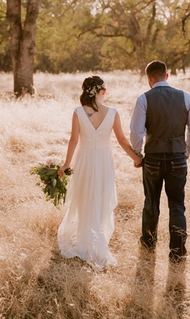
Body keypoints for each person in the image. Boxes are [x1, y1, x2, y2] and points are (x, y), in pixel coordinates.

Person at [57, 76, 142, 270]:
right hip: (104, 161)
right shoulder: (113, 112)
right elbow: (121, 140)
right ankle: (94, 241)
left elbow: (73, 141)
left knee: (85, 198)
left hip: (85, 159)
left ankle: (86, 242)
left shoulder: (78, 112)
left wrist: (66, 164)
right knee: (100, 199)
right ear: (101, 91)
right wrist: (136, 158)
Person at [130, 60, 190, 262]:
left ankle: (149, 244)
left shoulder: (144, 99)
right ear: (167, 76)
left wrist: (138, 154)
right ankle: (177, 252)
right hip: (178, 157)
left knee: (151, 202)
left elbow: (136, 132)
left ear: (149, 79)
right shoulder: (184, 96)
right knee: (177, 205)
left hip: (152, 158)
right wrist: (186, 150)